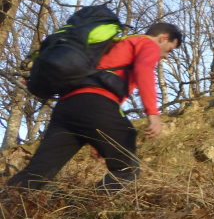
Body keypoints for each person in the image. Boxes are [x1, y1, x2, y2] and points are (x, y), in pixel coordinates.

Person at [6, 22, 182, 193]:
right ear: (162, 38)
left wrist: (98, 141)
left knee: (36, 173)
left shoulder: (117, 46)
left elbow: (105, 88)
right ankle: (84, 214)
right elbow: (144, 70)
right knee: (127, 169)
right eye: (169, 50)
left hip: (67, 107)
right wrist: (153, 114)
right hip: (96, 104)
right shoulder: (146, 43)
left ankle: (5, 205)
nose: (166, 56)